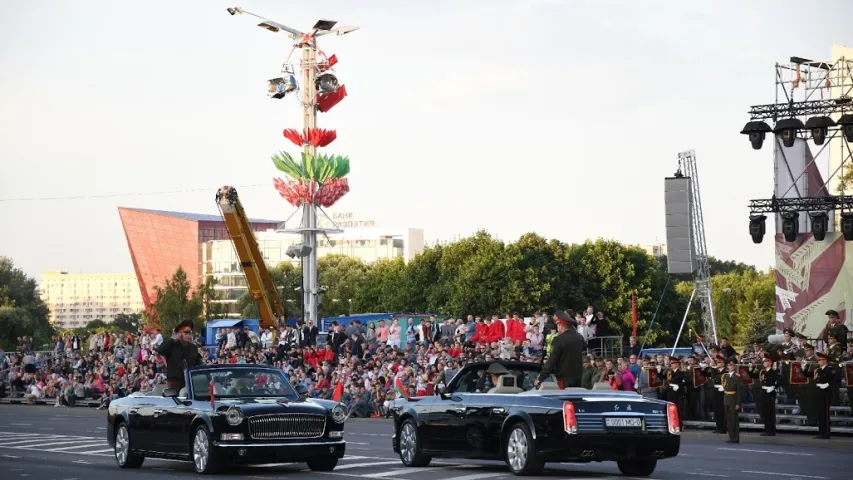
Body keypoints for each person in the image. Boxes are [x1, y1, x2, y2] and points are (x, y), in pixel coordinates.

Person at [535, 310, 585, 389]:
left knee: (565, 400)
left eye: (557, 325)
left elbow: (552, 361)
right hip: (578, 377)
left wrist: (540, 378)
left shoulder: (558, 340)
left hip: (564, 378)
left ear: (561, 325)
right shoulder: (579, 338)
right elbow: (584, 347)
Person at [155, 320, 202, 391]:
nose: (188, 336)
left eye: (189, 334)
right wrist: (172, 339)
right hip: (175, 380)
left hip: (189, 379)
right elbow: (160, 350)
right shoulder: (172, 345)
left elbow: (197, 363)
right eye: (185, 334)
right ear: (179, 334)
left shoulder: (193, 347)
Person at [814, 351, 835, 439]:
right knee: (820, 413)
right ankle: (821, 432)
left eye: (820, 360)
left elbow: (834, 378)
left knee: (825, 413)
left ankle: (826, 433)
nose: (819, 362)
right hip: (819, 391)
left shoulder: (830, 369)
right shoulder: (818, 370)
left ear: (825, 361)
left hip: (826, 392)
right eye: (818, 360)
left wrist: (827, 384)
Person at [758, 354, 780, 436]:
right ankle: (767, 429)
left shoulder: (774, 372)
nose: (764, 363)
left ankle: (771, 430)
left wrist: (774, 387)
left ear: (770, 363)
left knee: (770, 412)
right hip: (764, 391)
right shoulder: (763, 372)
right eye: (764, 362)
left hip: (770, 393)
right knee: (765, 412)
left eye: (766, 361)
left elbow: (781, 381)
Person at [662, 357, 687, 429]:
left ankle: (679, 424)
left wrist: (679, 385)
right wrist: (659, 371)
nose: (672, 365)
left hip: (677, 392)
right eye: (671, 363)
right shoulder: (669, 372)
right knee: (671, 409)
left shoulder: (681, 373)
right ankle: (672, 424)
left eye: (673, 363)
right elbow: (662, 377)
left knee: (678, 409)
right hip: (670, 392)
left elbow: (687, 381)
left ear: (677, 364)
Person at [722, 358, 742, 444]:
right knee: (729, 420)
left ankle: (736, 438)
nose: (731, 366)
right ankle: (731, 437)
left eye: (732, 365)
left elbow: (739, 391)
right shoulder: (725, 376)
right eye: (729, 365)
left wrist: (738, 403)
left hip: (733, 399)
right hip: (726, 399)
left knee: (734, 419)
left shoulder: (737, 377)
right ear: (727, 366)